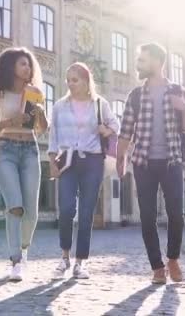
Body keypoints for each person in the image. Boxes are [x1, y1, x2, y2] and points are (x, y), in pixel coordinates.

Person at [116, 43, 185, 284]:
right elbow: (125, 131)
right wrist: (120, 159)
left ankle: (172, 259)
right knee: (148, 217)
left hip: (172, 161)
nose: (138, 64)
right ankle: (157, 268)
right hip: (143, 163)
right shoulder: (136, 95)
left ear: (157, 62)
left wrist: (183, 108)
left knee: (175, 215)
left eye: (143, 60)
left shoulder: (177, 91)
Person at [0, 47, 48, 281]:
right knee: (15, 206)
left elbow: (42, 129)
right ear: (11, 67)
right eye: (22, 64)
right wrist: (9, 121)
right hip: (6, 151)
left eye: (29, 64)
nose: (27, 68)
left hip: (30, 150)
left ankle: (24, 248)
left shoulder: (35, 92)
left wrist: (41, 115)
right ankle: (15, 261)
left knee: (32, 212)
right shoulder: (0, 92)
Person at [48, 62, 119, 279]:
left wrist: (105, 129)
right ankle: (64, 259)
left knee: (87, 213)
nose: (70, 84)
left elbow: (116, 126)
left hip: (93, 161)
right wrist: (52, 161)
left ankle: (80, 263)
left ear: (86, 81)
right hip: (68, 161)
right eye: (68, 80)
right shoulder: (60, 106)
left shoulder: (100, 104)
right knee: (67, 209)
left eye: (75, 80)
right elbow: (53, 136)